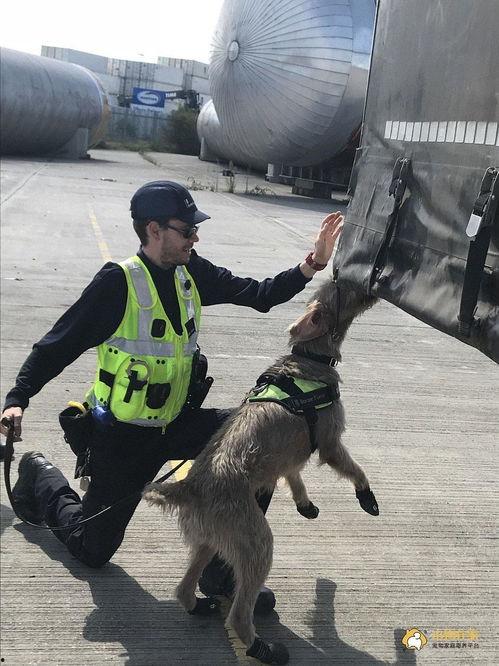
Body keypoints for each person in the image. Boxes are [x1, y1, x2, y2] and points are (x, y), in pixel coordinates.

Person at [0, 180, 343, 613]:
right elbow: (57, 345)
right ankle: (41, 476)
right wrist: (18, 398)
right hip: (124, 436)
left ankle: (223, 574)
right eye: (187, 229)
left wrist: (314, 262)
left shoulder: (190, 272)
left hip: (179, 422)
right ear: (154, 229)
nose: (195, 237)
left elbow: (259, 295)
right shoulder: (117, 284)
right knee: (92, 548)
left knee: (259, 444)